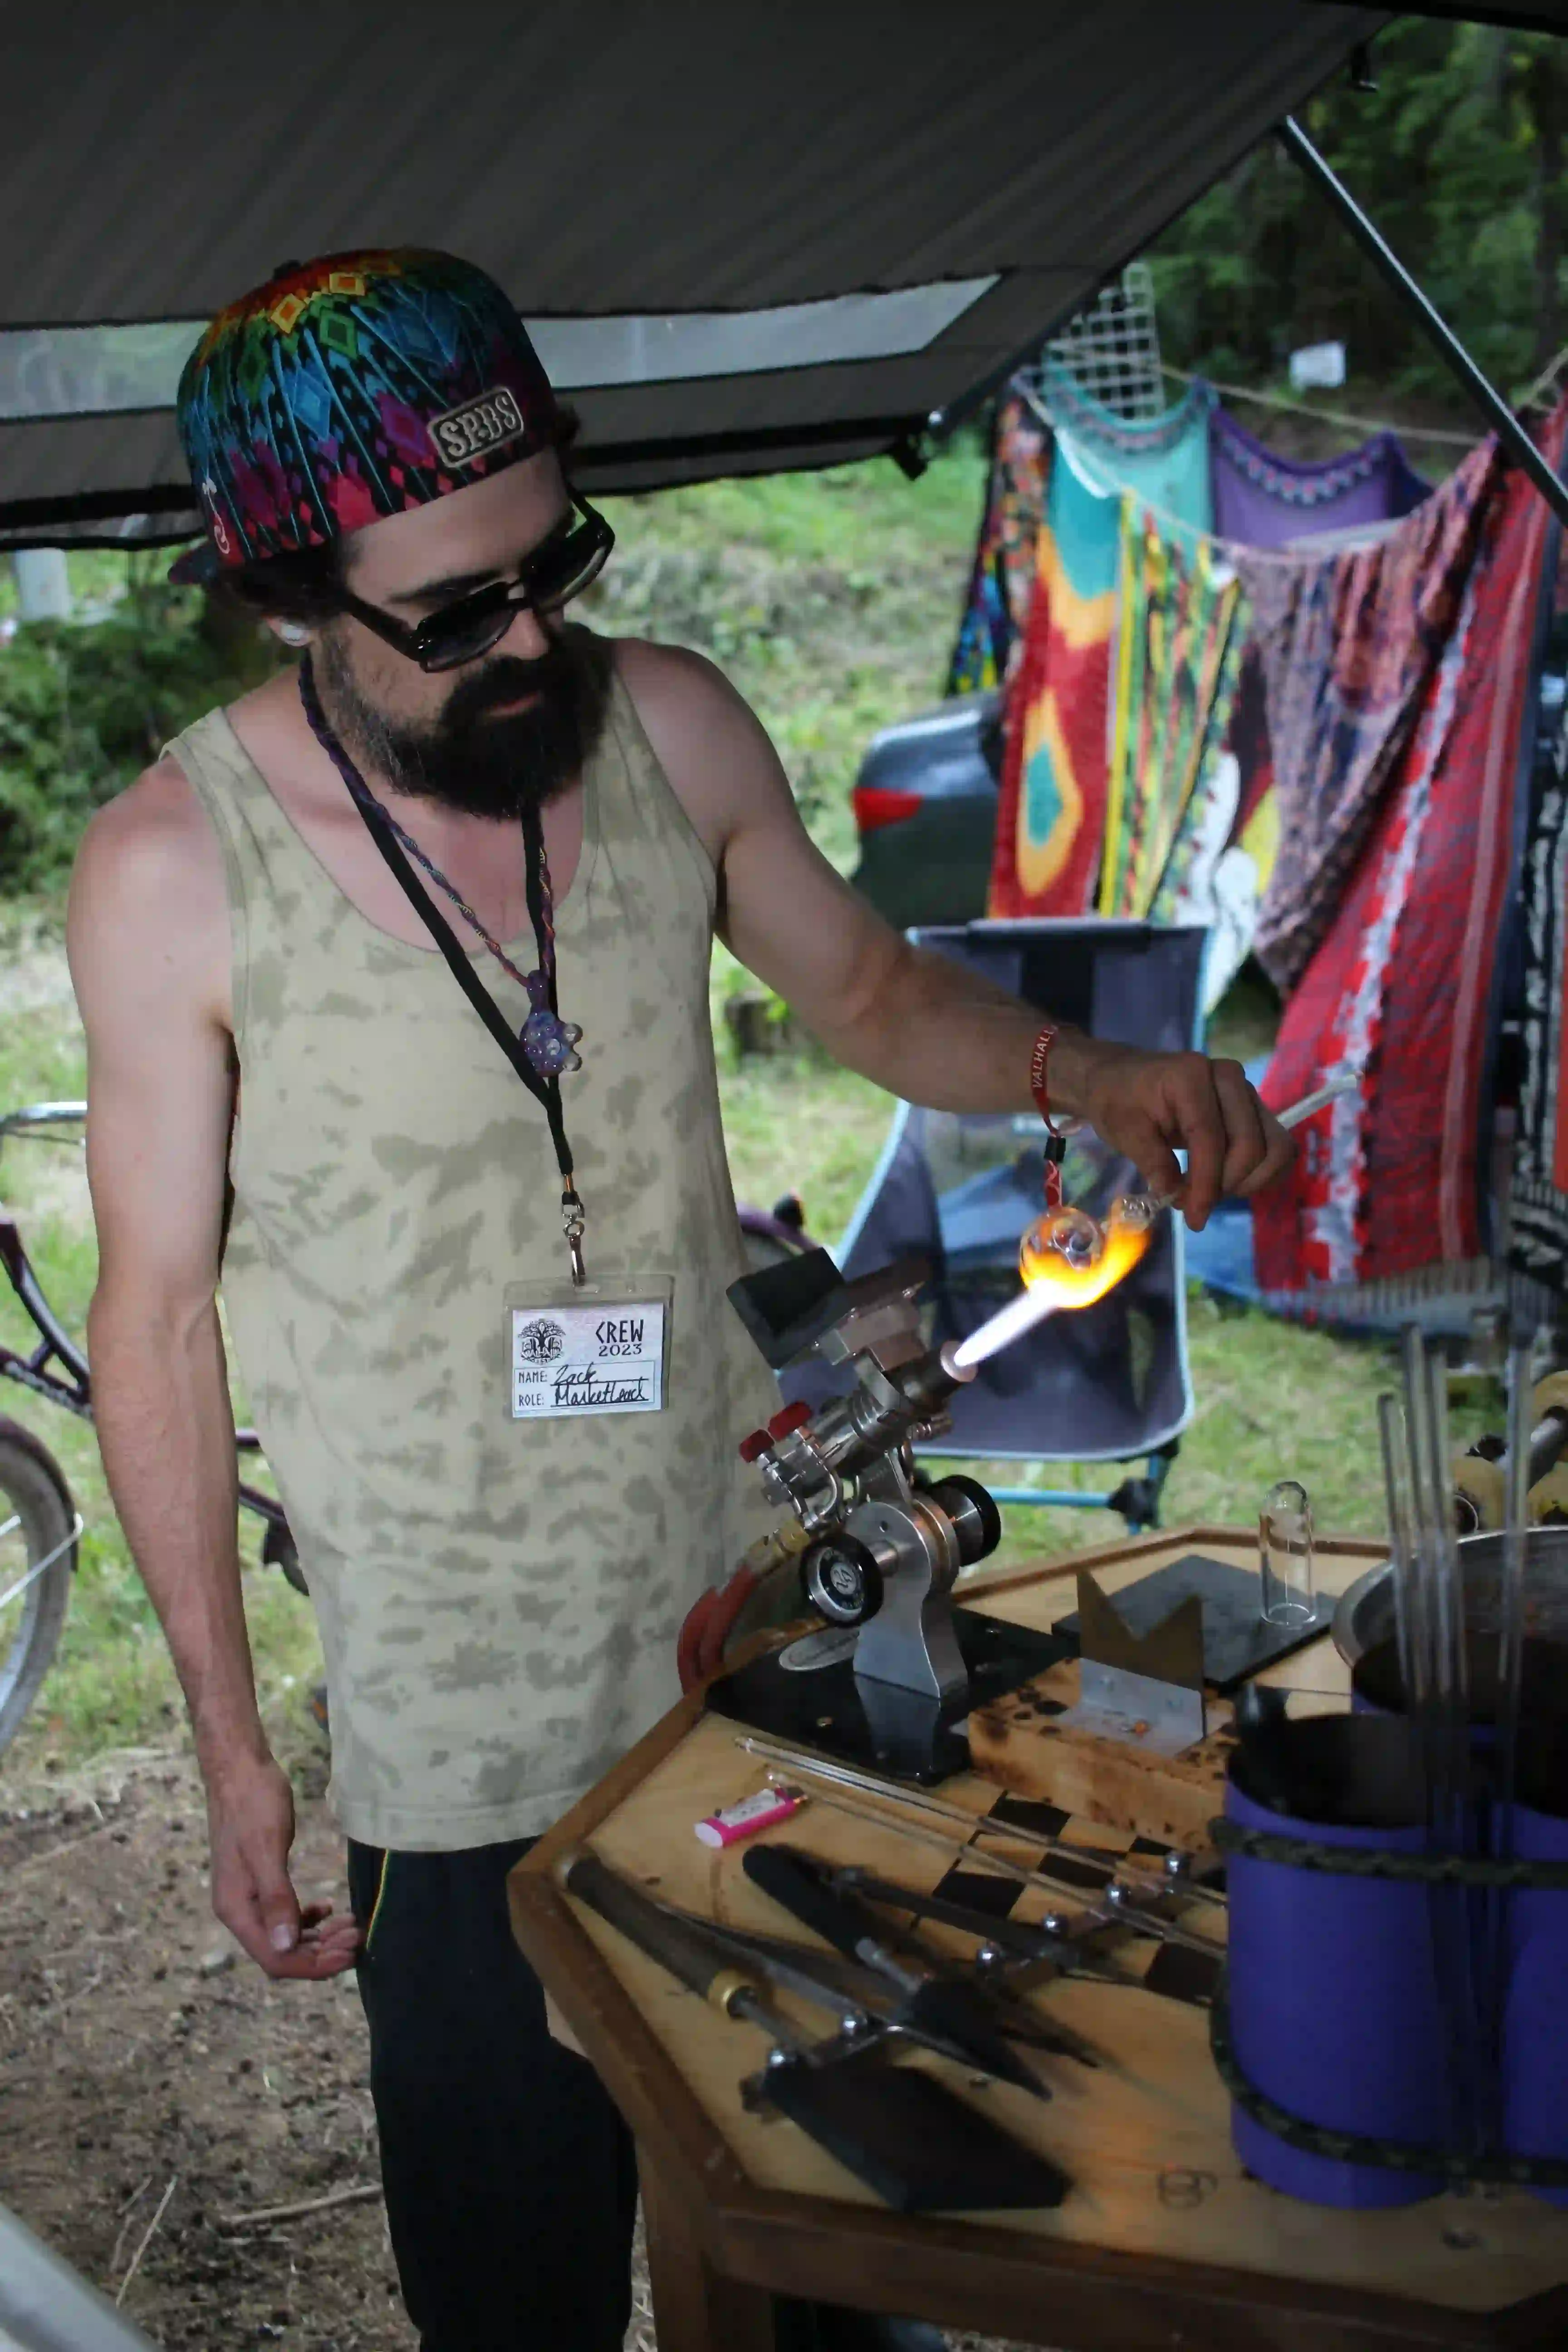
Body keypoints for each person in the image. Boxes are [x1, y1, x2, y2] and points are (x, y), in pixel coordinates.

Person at [66, 249, 1292, 2352]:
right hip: (454, 1728)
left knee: (831, 2263)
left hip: (764, 1640)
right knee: (518, 2283)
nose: (535, 636)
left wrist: (1094, 1073)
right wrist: (233, 1752)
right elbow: (155, 1327)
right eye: (455, 614)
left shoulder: (673, 729)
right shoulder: (178, 870)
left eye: (559, 562)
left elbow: (876, 994)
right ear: (281, 593)